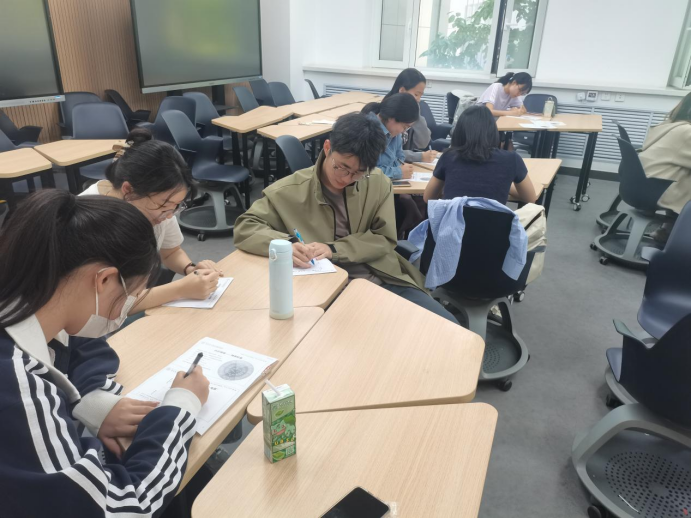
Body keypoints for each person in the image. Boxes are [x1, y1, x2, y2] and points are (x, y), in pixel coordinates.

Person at [0, 190, 209, 516]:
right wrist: (182, 406)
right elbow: (120, 508)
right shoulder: (18, 386)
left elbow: (78, 348)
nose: (125, 310)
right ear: (105, 279)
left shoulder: (34, 301)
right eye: (131, 295)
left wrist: (89, 404)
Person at [233, 113, 458, 324]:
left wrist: (333, 249)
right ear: (327, 148)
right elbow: (246, 226)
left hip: (380, 278)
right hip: (321, 291)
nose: (347, 178)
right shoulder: (289, 190)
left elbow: (384, 238)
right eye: (342, 167)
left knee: (449, 328)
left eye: (359, 172)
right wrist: (287, 245)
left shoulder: (377, 182)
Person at [80, 128, 220, 311]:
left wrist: (191, 270)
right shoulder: (88, 222)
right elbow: (106, 306)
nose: (169, 215)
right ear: (128, 190)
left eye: (176, 206)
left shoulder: (158, 205)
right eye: (164, 205)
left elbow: (170, 252)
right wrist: (180, 289)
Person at [424, 105, 537, 205]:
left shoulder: (449, 157)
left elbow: (428, 198)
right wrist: (506, 184)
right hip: (493, 223)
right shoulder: (512, 159)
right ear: (493, 131)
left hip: (452, 222)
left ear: (459, 132)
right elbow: (531, 198)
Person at [639, 93, 691, 241]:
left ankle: (667, 229)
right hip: (658, 189)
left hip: (641, 184)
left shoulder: (669, 124)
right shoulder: (687, 132)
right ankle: (673, 232)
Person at [361, 93, 420, 180]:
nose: (404, 131)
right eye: (404, 127)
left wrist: (401, 169)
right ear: (391, 118)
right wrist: (398, 172)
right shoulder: (366, 131)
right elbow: (364, 173)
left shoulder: (394, 133)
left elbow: (400, 158)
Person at [385, 68, 437, 163]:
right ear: (402, 91)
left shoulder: (410, 112)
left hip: (403, 165)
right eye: (416, 94)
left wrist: (416, 115)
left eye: (421, 96)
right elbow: (387, 153)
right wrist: (418, 156)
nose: (419, 100)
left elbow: (423, 143)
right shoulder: (388, 114)